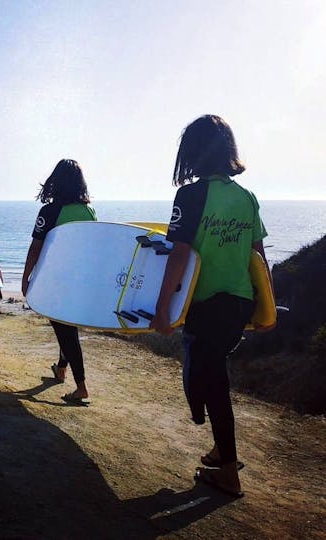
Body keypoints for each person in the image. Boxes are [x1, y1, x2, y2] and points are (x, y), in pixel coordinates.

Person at [151, 114, 273, 498]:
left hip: (205, 303)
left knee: (209, 378)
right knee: (207, 368)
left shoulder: (191, 195)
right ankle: (222, 449)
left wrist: (160, 306)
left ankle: (228, 471)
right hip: (239, 302)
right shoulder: (246, 197)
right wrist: (267, 306)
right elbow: (259, 256)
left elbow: (179, 253)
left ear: (192, 152)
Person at [22, 159, 97, 405]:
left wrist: (26, 278)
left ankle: (81, 387)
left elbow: (35, 250)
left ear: (56, 181)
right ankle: (61, 369)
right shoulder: (89, 211)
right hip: (82, 281)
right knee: (67, 327)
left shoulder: (50, 211)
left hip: (58, 282)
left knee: (66, 333)